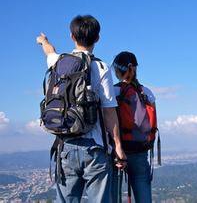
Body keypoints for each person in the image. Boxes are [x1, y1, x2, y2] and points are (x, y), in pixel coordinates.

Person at [36, 15, 126, 203]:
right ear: (98, 38)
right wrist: (118, 146)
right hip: (94, 148)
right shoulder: (101, 67)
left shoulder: (59, 61)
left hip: (65, 146)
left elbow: (49, 52)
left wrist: (43, 41)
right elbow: (109, 112)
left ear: (71, 36)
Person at [112, 51, 159, 203]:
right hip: (140, 149)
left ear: (117, 71)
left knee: (114, 195)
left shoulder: (114, 91)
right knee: (143, 192)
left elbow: (107, 119)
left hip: (118, 152)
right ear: (135, 68)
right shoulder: (147, 92)